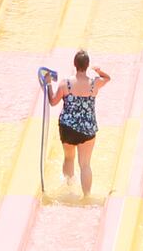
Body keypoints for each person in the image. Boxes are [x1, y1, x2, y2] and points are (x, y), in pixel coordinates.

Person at [45, 50, 110, 196]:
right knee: (85, 165)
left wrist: (49, 84)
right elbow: (108, 78)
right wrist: (99, 71)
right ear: (87, 66)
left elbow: (53, 101)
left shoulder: (65, 83)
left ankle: (68, 189)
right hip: (88, 129)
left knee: (69, 158)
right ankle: (86, 195)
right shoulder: (95, 83)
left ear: (74, 65)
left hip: (67, 127)